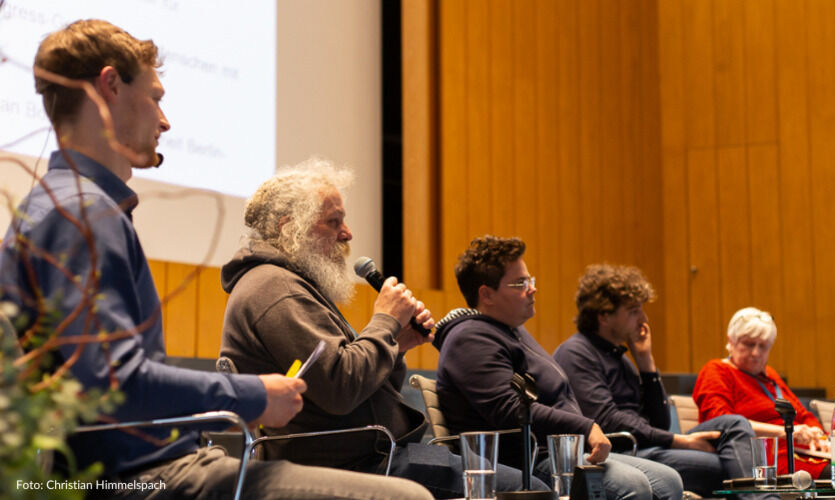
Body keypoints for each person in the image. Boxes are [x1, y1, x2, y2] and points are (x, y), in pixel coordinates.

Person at [0, 19, 430, 499]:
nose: (165, 122)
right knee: (405, 497)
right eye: (156, 98)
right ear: (110, 86)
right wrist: (253, 395)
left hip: (137, 463)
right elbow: (114, 384)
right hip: (133, 475)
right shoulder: (81, 213)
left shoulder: (61, 207)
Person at [219, 163, 545, 498]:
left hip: (377, 452)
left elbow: (362, 390)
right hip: (350, 463)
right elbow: (340, 389)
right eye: (333, 222)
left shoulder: (289, 285)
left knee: (515, 479)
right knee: (527, 489)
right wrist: (386, 321)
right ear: (289, 228)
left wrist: (396, 346)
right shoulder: (275, 289)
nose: (347, 233)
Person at [435, 235, 683, 500]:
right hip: (530, 462)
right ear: (487, 294)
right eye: (520, 283)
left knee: (669, 481)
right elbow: (510, 410)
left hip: (563, 452)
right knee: (632, 486)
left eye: (530, 281)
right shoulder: (470, 338)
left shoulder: (512, 331)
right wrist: (586, 427)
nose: (532, 289)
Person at [554, 264, 758, 497]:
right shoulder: (576, 353)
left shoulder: (621, 357)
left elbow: (658, 422)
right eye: (633, 311)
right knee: (725, 466)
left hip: (648, 444)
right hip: (624, 451)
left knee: (734, 424)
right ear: (604, 315)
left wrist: (646, 362)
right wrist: (678, 441)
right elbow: (607, 421)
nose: (643, 319)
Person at [692, 307, 830, 479]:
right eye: (749, 344)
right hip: (762, 457)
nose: (756, 353)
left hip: (802, 452)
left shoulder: (769, 375)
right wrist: (786, 431)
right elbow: (723, 423)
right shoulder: (717, 371)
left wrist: (817, 435)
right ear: (731, 342)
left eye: (763, 346)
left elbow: (803, 414)